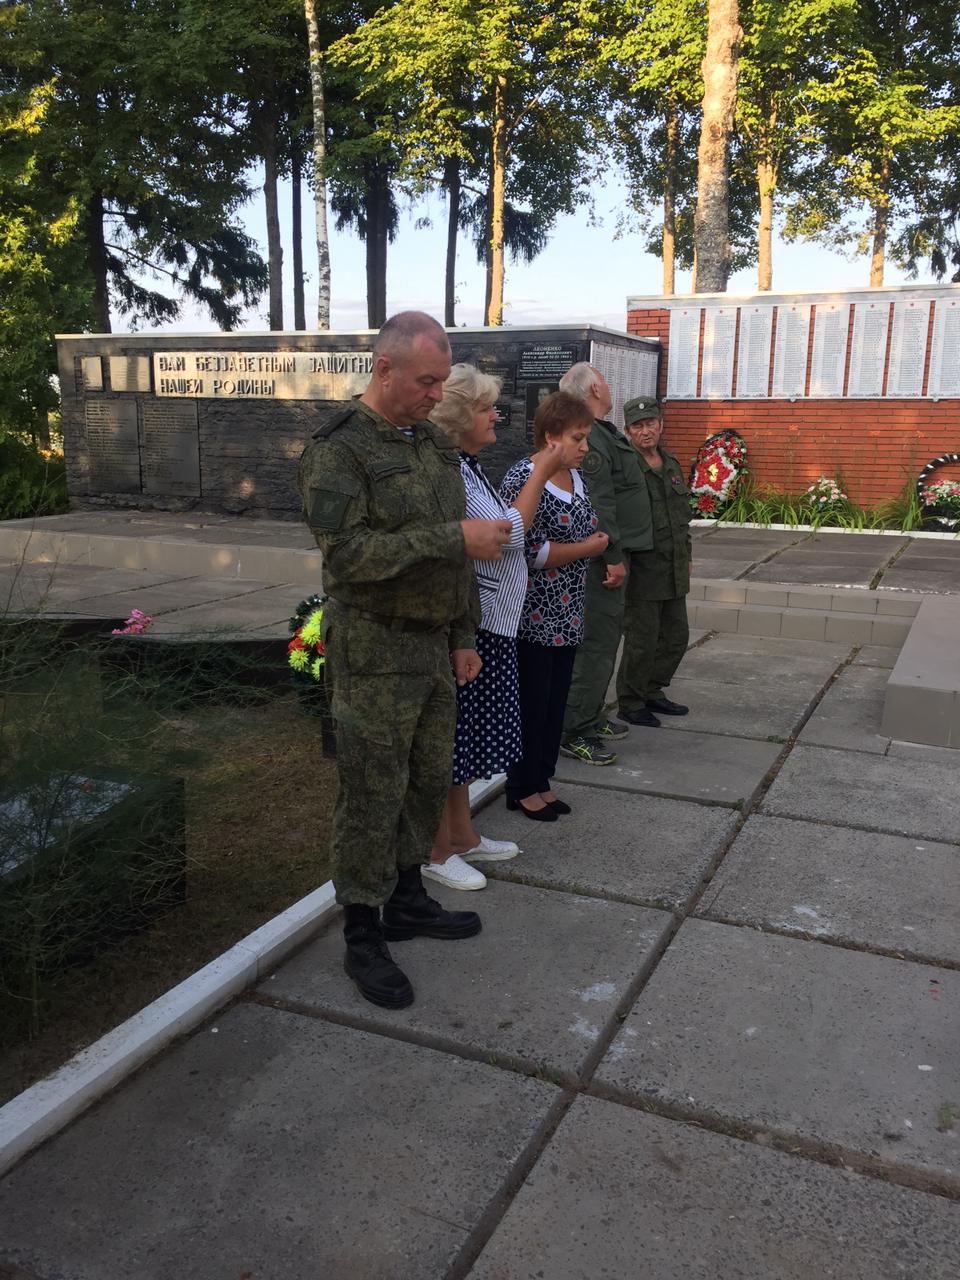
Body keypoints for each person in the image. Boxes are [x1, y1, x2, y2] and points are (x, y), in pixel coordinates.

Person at [297, 311, 513, 1010]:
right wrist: (453, 537)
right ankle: (363, 931)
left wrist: (464, 634)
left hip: (432, 647)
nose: (435, 395)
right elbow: (348, 557)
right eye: (425, 381)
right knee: (372, 794)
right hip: (374, 649)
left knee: (425, 781)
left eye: (441, 382)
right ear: (384, 369)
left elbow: (458, 562)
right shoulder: (339, 450)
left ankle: (408, 898)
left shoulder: (430, 447)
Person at [425, 364, 566, 889]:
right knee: (454, 738)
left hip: (491, 620)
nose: (496, 417)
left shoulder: (468, 465)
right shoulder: (449, 470)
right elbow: (509, 535)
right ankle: (436, 850)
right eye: (486, 409)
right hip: (474, 621)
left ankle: (462, 835)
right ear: (458, 417)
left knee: (467, 741)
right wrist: (540, 472)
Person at [499, 391, 609, 821]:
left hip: (568, 614)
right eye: (577, 438)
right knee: (531, 704)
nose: (585, 447)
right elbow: (524, 549)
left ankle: (542, 780)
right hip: (532, 616)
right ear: (550, 437)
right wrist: (587, 549)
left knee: (553, 705)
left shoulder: (574, 477)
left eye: (586, 437)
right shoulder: (523, 478)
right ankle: (521, 786)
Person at [556, 361, 653, 765]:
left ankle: (591, 715)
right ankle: (574, 729)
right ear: (595, 388)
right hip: (602, 561)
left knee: (606, 641)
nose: (610, 388)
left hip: (614, 554)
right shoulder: (591, 436)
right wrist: (612, 556)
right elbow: (600, 503)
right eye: (606, 382)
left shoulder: (602, 431)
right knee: (595, 645)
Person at [615, 396, 693, 727]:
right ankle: (631, 701)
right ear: (627, 431)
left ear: (660, 425)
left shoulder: (670, 462)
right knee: (642, 641)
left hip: (673, 566)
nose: (645, 431)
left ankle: (651, 689)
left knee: (676, 636)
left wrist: (687, 555)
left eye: (650, 424)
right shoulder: (626, 466)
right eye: (638, 426)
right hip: (643, 570)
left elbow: (681, 516)